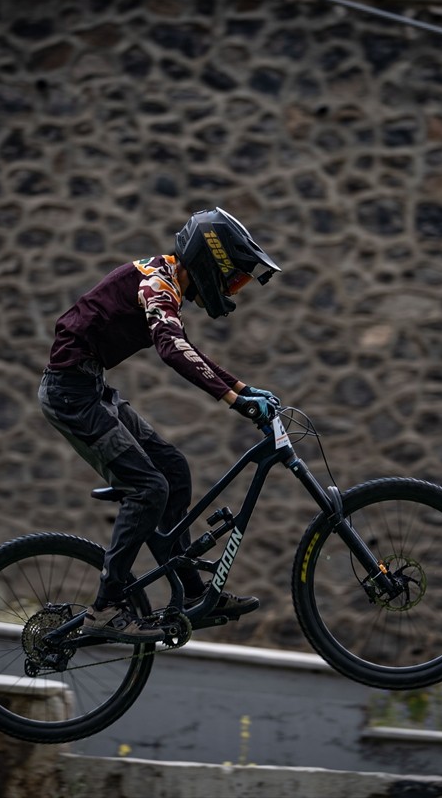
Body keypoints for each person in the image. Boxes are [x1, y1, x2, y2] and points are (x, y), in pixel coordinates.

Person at [38, 207, 282, 643]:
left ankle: (192, 594)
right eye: (233, 280)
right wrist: (235, 401)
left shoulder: (163, 278)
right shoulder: (156, 284)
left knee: (174, 469)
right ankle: (105, 607)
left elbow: (183, 347)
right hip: (70, 395)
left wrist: (243, 389)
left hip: (90, 387)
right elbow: (171, 348)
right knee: (149, 488)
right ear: (211, 263)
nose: (232, 290)